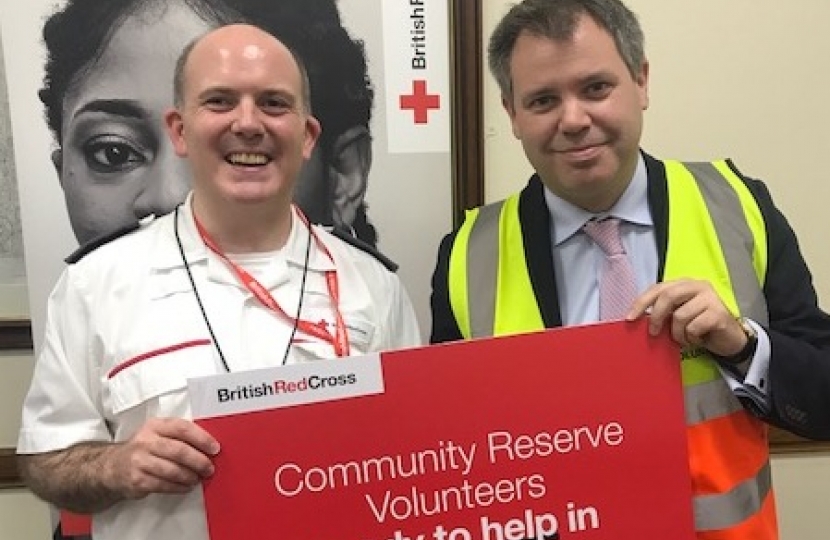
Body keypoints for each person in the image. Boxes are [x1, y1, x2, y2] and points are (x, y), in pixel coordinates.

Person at [430, 1, 830, 539]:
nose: (573, 120)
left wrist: (742, 344)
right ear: (512, 113)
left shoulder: (740, 207)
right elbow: (448, 455)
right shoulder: (465, 254)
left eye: (596, 88)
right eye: (544, 99)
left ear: (641, 82)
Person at [17, 23, 421, 540]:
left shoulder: (373, 284)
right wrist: (117, 466)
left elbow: (408, 456)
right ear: (180, 130)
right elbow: (47, 457)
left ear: (308, 136)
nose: (248, 123)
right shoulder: (96, 283)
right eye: (220, 101)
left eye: (274, 103)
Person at [40, 0, 379, 247]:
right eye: (113, 152)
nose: (171, 197)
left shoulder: (370, 297)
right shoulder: (80, 298)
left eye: (246, 155)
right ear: (63, 172)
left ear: (342, 174)